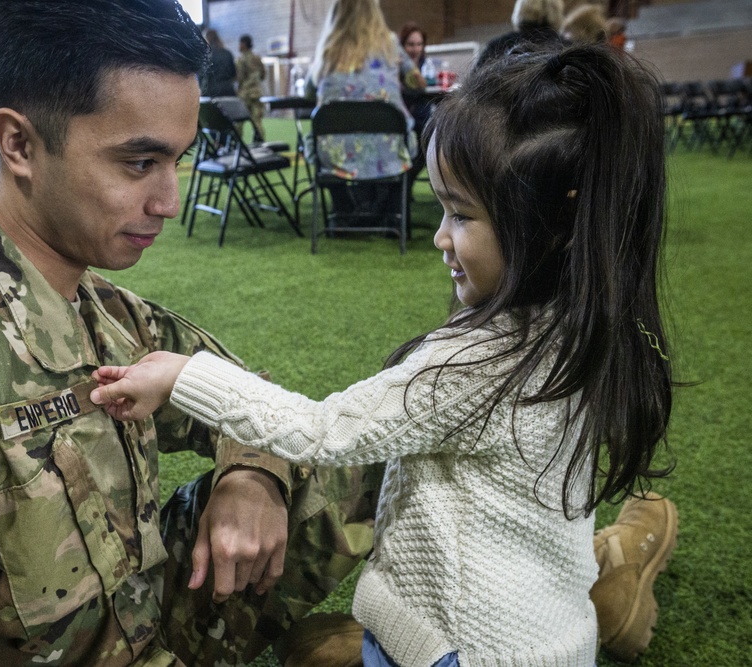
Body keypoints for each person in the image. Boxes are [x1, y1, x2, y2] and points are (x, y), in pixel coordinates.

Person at [0, 1, 383, 665]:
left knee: (359, 453)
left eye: (176, 160)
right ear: (19, 144)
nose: (168, 200)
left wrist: (252, 476)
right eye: (139, 162)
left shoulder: (104, 308)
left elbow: (247, 394)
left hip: (137, 624)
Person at [91, 41, 680, 666]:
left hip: (462, 650)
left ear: (552, 226)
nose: (439, 237)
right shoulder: (583, 328)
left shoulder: (477, 364)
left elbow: (326, 431)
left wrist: (184, 375)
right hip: (547, 638)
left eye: (460, 215)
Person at [306, 0, 422, 221]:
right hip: (388, 149)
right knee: (412, 139)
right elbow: (416, 80)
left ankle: (342, 211)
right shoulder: (389, 43)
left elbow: (309, 91)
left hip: (334, 152)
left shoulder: (327, 49)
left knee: (323, 141)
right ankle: (393, 213)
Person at [475, 0, 565, 68]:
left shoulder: (496, 47)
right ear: (558, 12)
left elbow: (473, 86)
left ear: (520, 10)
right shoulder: (567, 48)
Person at [235, 34, 267, 141]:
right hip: (256, 93)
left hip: (245, 94)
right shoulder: (257, 58)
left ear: (244, 44)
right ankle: (260, 144)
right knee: (257, 122)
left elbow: (239, 77)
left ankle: (237, 145)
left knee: (239, 122)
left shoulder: (241, 60)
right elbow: (263, 74)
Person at [200, 28, 237, 97]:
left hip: (211, 92)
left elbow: (203, 75)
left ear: (207, 39)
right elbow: (233, 73)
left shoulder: (207, 55)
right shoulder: (227, 53)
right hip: (228, 91)